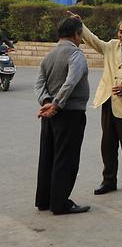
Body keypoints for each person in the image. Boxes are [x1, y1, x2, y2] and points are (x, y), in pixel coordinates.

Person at [68, 13, 122, 196]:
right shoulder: (111, 47)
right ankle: (109, 181)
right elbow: (93, 41)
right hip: (108, 102)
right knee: (107, 145)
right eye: (120, 32)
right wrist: (80, 24)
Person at [34, 17, 91, 215]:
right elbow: (71, 81)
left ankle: (44, 200)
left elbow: (39, 83)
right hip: (70, 114)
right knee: (66, 159)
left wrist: (46, 102)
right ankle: (60, 203)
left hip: (50, 115)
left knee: (48, 156)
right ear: (76, 34)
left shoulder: (49, 55)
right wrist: (57, 105)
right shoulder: (76, 54)